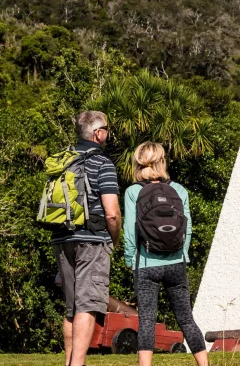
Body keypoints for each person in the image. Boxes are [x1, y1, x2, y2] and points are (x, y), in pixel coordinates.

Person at [124, 142, 208, 366]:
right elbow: (187, 227)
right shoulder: (178, 190)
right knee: (186, 319)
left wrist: (130, 259)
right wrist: (183, 254)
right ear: (162, 162)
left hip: (146, 264)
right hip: (176, 262)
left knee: (147, 321)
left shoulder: (133, 191)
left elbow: (130, 231)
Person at [52, 110, 122, 366]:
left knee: (71, 308)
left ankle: (69, 362)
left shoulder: (63, 160)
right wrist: (113, 240)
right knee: (88, 305)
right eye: (107, 129)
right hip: (92, 239)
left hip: (61, 237)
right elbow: (112, 213)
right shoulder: (102, 163)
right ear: (98, 133)